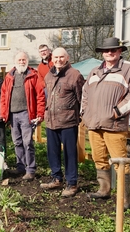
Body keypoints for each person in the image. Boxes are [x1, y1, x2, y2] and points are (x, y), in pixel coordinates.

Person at [82, 37, 130, 210]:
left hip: (114, 125)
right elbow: (85, 94)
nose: (109, 53)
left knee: (120, 162)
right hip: (94, 124)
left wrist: (117, 111)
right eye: (106, 50)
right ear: (102, 53)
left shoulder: (129, 69)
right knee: (99, 159)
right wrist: (84, 113)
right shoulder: (94, 71)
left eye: (113, 50)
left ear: (120, 51)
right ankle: (104, 189)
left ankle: (124, 199)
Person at [40, 48, 85, 197]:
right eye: (56, 57)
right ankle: (56, 178)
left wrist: (82, 116)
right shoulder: (49, 75)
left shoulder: (75, 75)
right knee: (52, 152)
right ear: (51, 58)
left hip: (68, 121)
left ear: (67, 58)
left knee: (70, 153)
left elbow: (82, 98)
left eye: (61, 57)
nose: (58, 60)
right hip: (51, 121)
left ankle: (72, 183)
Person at [0, 51, 45, 181]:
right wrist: (4, 113)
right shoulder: (9, 76)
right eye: (19, 60)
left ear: (27, 61)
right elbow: (3, 96)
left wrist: (40, 113)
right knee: (17, 142)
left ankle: (30, 169)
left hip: (27, 113)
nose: (21, 62)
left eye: (24, 60)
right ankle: (20, 167)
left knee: (27, 142)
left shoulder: (33, 75)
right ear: (15, 61)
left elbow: (40, 96)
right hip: (13, 114)